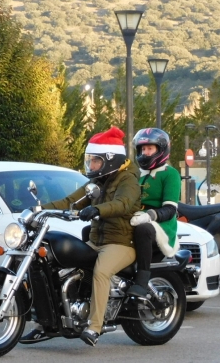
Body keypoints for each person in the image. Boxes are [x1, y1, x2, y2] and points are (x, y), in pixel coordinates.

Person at [19, 126, 141, 347]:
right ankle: (45, 323)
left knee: (101, 271)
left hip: (121, 243)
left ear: (110, 159)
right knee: (54, 267)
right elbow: (69, 201)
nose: (91, 165)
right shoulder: (97, 182)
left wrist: (97, 209)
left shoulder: (128, 181)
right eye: (90, 160)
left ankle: (95, 327)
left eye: (95, 161)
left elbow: (122, 204)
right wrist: (39, 210)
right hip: (96, 241)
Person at [127, 128, 182, 298]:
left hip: (160, 225)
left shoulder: (170, 174)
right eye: (143, 149)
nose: (145, 152)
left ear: (161, 149)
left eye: (150, 148)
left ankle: (142, 280)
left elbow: (170, 209)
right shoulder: (137, 174)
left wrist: (149, 216)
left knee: (144, 230)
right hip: (134, 218)